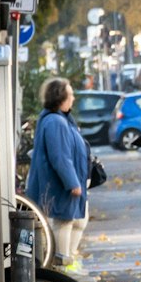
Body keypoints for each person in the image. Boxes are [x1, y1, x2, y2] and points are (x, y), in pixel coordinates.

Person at [24, 77, 90, 269]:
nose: (74, 98)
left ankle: (67, 260)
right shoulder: (56, 122)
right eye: (70, 94)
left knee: (78, 220)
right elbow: (60, 156)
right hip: (58, 183)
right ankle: (62, 264)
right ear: (60, 97)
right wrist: (72, 182)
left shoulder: (61, 120)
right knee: (64, 220)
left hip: (67, 180)